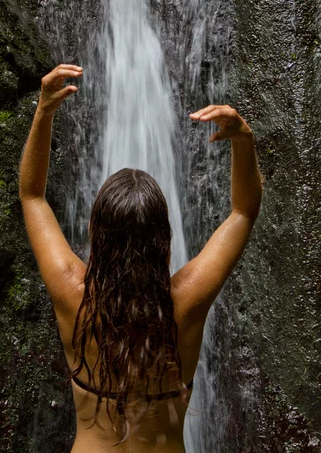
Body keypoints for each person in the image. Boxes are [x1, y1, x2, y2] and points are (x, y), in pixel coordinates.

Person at [19, 64, 263, 452]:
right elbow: (244, 212)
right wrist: (243, 138)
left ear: (94, 235)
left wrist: (44, 109)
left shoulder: (71, 293)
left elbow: (32, 195)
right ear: (165, 241)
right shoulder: (187, 300)